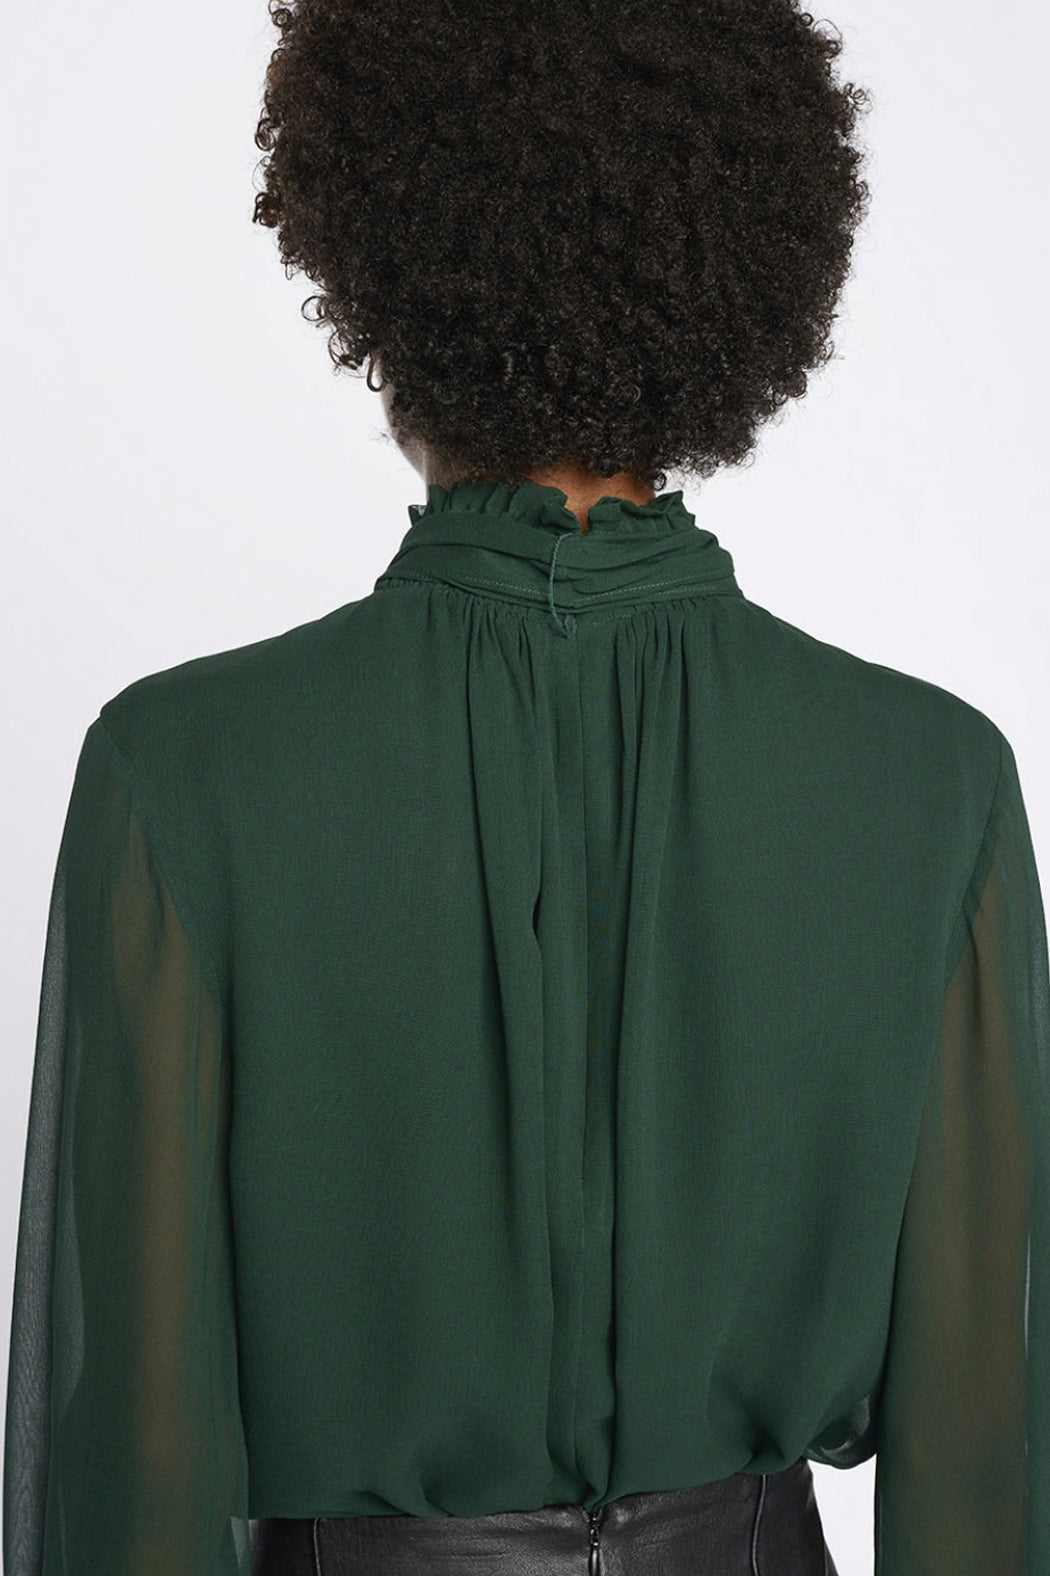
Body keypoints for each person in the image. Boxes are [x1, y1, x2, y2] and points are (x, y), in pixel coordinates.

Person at [4, 1, 1048, 1574]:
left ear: (380, 274)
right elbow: (982, 1456)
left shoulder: (181, 769)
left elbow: (138, 1453)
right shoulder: (933, 782)